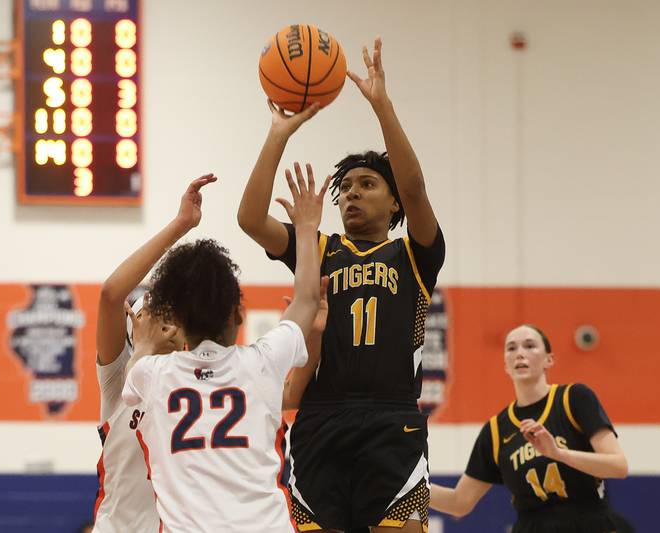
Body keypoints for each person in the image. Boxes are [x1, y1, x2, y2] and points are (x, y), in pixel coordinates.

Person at [238, 37, 444, 533]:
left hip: (391, 420)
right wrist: (277, 135)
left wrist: (382, 106)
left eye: (367, 184)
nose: (352, 193)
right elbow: (248, 218)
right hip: (320, 419)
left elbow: (415, 186)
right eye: (345, 188)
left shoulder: (414, 254)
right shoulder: (318, 247)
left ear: (394, 203)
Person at [122, 169, 328, 532]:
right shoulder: (263, 362)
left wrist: (145, 344)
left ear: (179, 320)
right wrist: (307, 229)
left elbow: (134, 375)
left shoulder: (151, 373)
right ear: (237, 313)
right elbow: (308, 299)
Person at [92, 174, 215, 532]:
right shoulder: (119, 376)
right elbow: (111, 294)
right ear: (134, 321)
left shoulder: (196, 377)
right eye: (156, 312)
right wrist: (180, 225)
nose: (168, 323)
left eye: (174, 315)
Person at [430, 325, 629, 533]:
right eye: (511, 348)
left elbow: (618, 466)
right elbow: (459, 502)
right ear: (505, 365)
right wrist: (407, 486)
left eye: (530, 346)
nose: (520, 354)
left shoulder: (574, 399)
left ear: (548, 360)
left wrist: (558, 454)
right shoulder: (497, 430)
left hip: (589, 522)